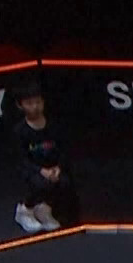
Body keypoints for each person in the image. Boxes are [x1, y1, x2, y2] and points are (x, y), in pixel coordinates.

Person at [12, 84, 77, 233]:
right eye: (29, 103)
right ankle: (25, 211)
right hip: (33, 169)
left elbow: (64, 149)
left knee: (64, 182)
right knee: (41, 184)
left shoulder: (54, 125)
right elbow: (21, 159)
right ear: (20, 105)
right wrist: (41, 170)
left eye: (38, 102)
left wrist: (58, 167)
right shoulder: (20, 131)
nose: (35, 107)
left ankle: (43, 208)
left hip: (53, 166)